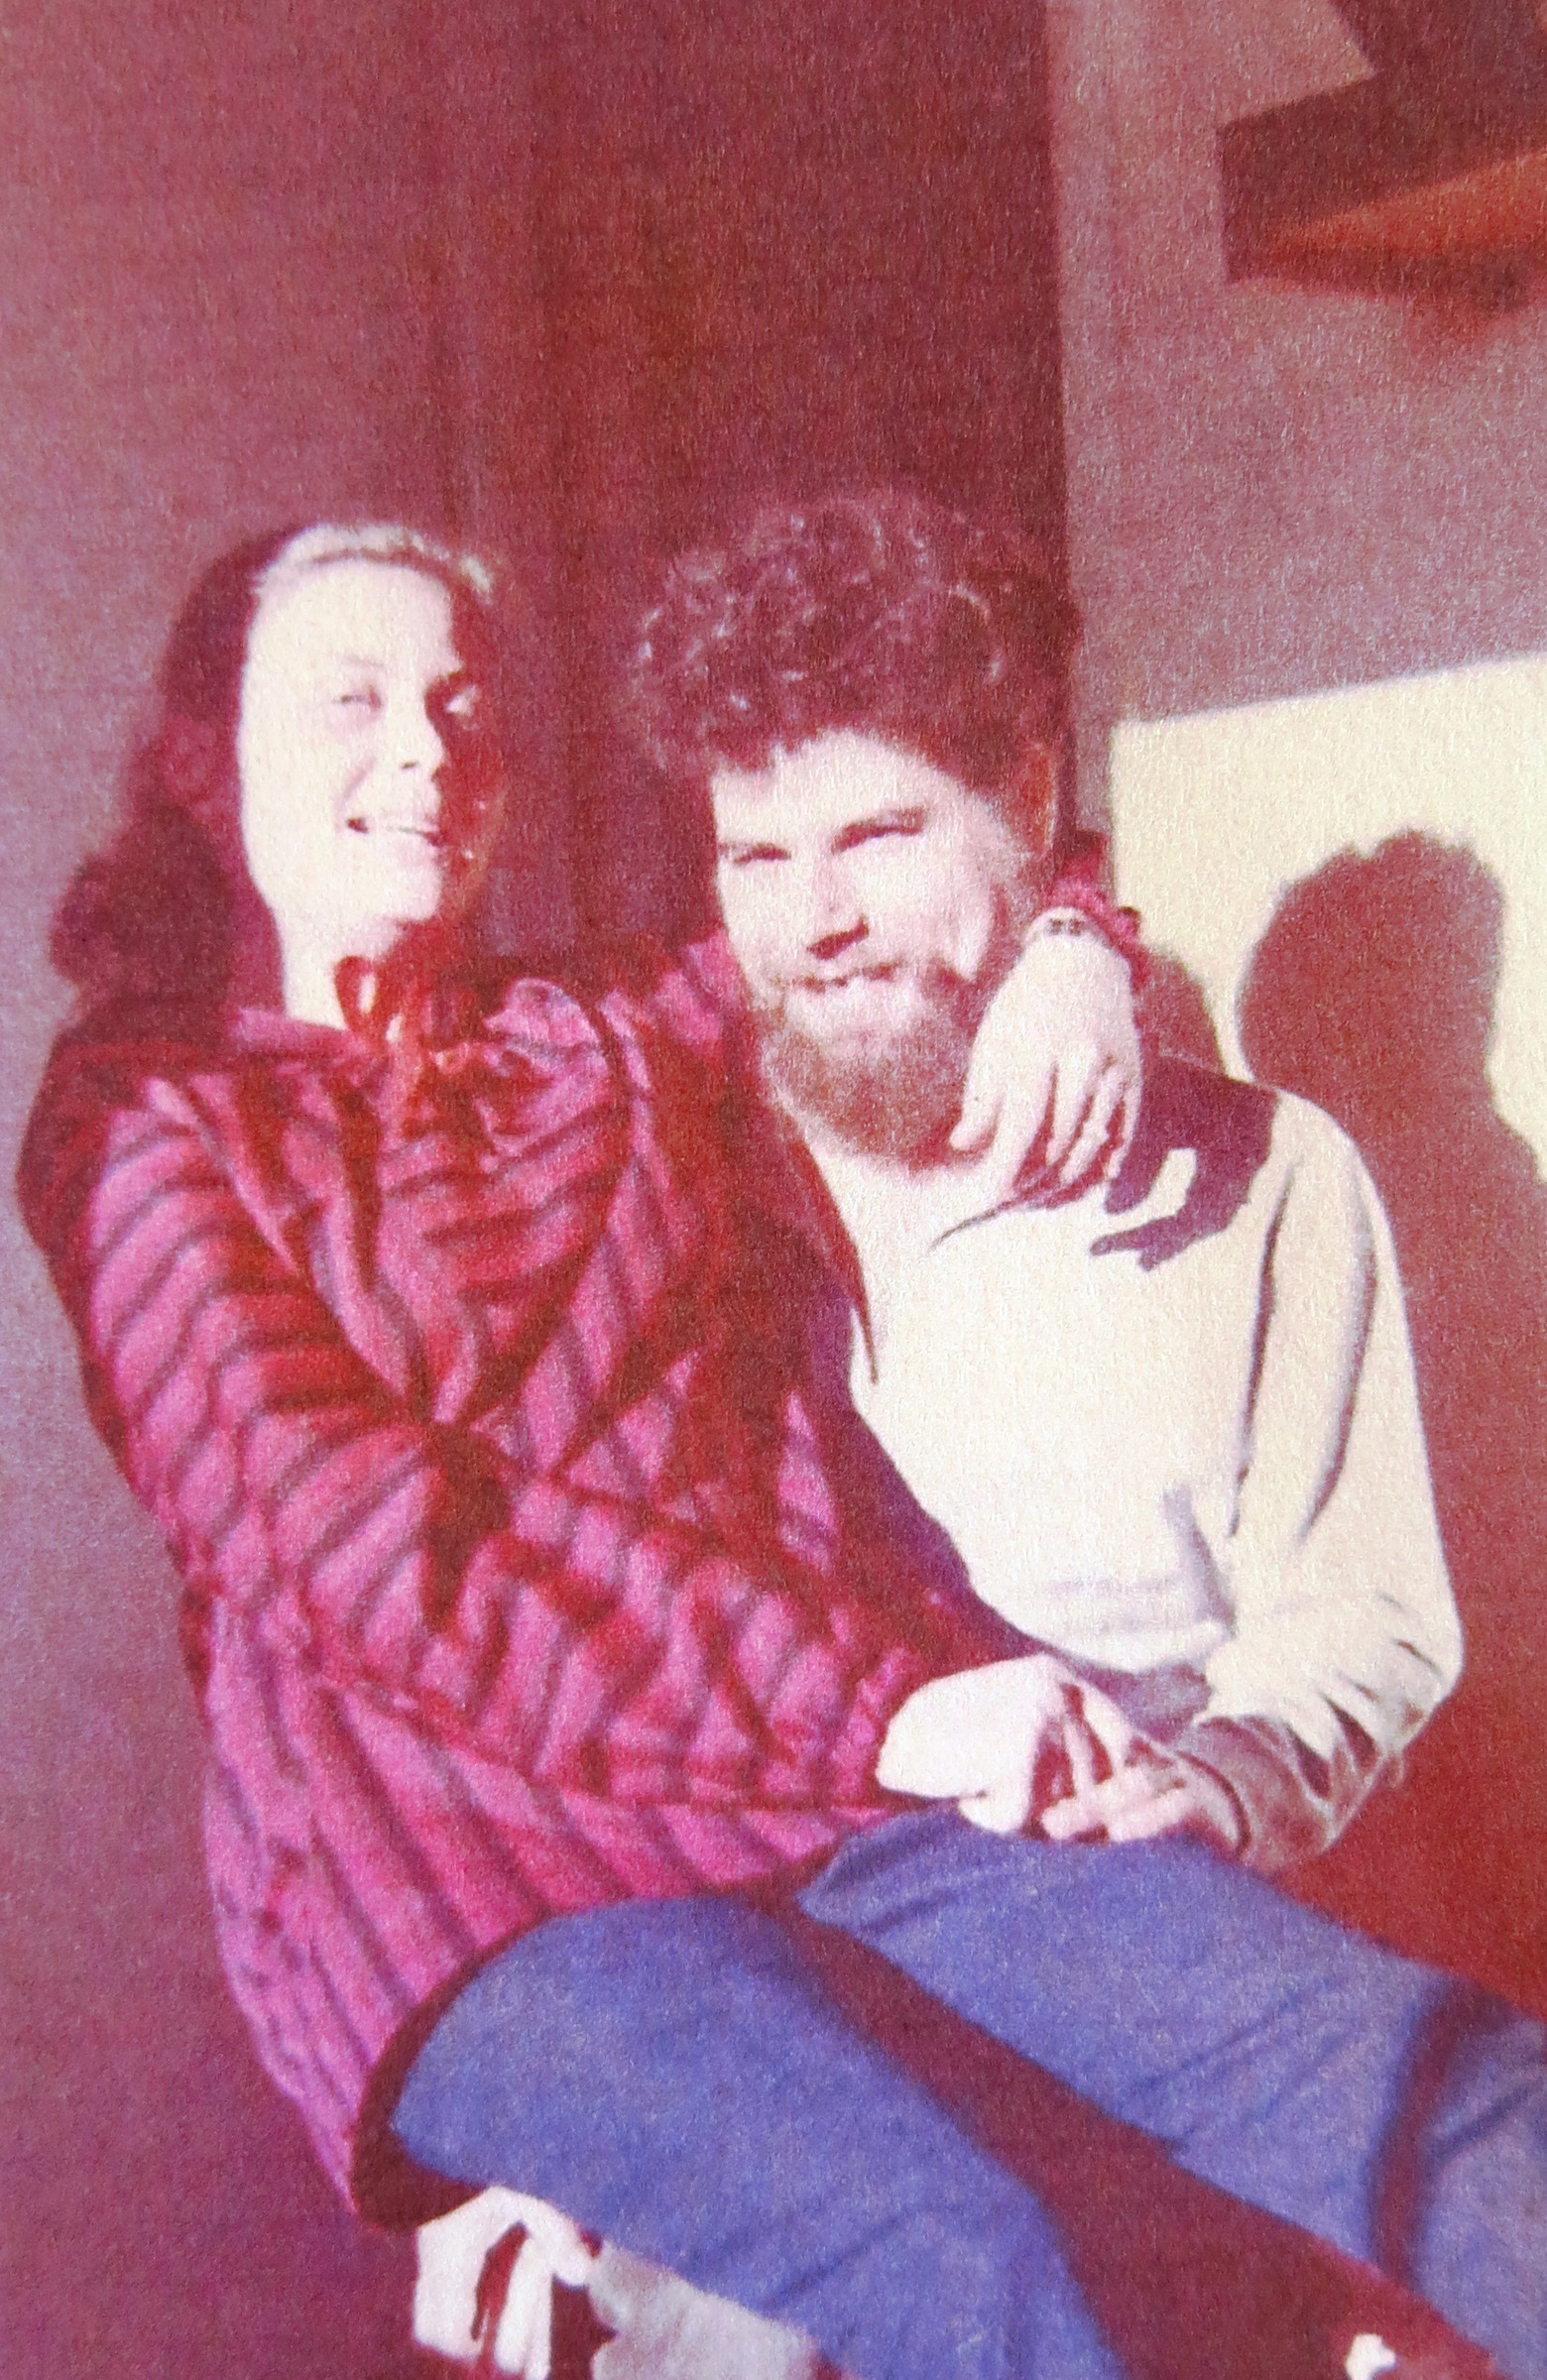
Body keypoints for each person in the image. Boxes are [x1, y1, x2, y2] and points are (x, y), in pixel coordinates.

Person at [413, 492, 1544, 2380]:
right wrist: (522, 2123)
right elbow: (514, 1638)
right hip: (763, 1971)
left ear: (1026, 795)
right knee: (774, 2325)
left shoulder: (1260, 1176)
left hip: (1155, 1936)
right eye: (756, 855)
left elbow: (1364, 1621)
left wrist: (1230, 1777)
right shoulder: (658, 1174)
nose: (815, 919)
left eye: (879, 834)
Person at [19, 519, 1157, 2380]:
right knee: (940, 2259)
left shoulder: (603, 1027)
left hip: (779, 1826)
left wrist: (1067, 946)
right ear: (200, 765)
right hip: (475, 1886)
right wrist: (880, 1710)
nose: (426, 752)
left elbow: (884, 918)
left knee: (1152, 2188)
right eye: (352, 703)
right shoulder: (142, 1122)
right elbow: (362, 1547)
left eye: (465, 709)